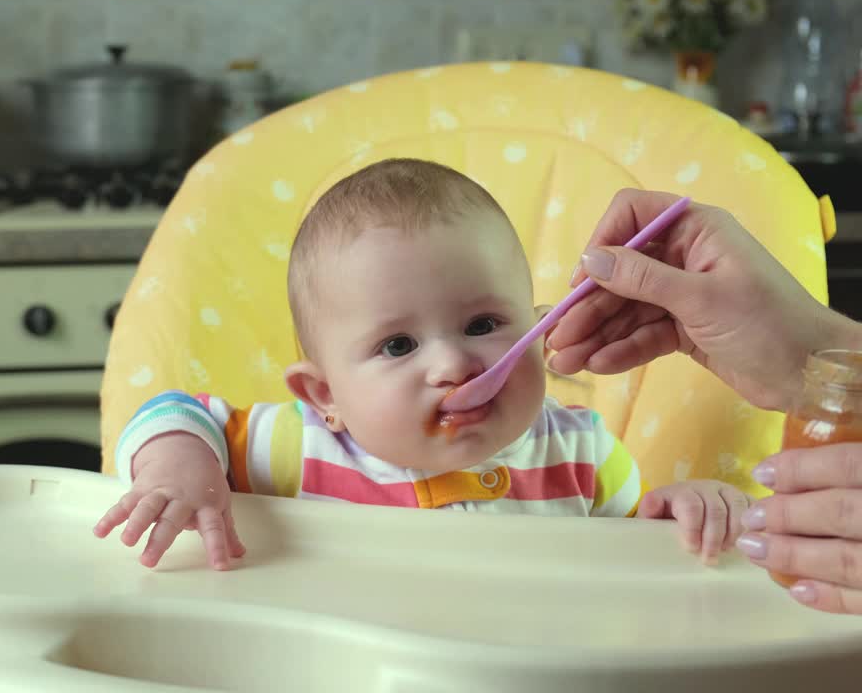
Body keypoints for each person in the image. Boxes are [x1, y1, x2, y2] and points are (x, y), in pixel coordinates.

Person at [93, 159, 751, 572]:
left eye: (484, 325)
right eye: (398, 346)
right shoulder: (297, 449)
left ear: (542, 328)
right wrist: (181, 468)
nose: (452, 363)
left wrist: (677, 521)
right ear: (325, 393)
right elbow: (176, 414)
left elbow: (637, 589)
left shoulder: (584, 460)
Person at [546, 188, 862, 616]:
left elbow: (635, 562)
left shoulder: (578, 448)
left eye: (483, 325)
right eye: (416, 344)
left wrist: (689, 514)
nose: (450, 364)